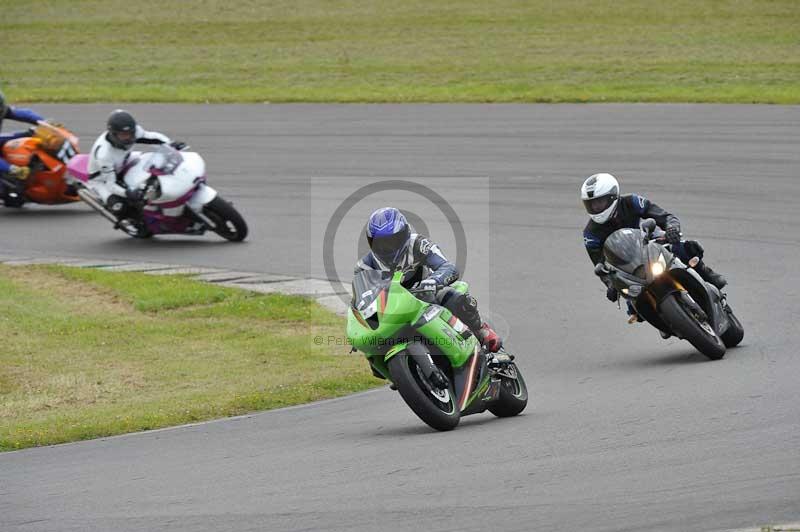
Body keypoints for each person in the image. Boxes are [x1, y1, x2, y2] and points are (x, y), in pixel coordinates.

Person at [354, 206, 502, 352]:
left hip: (426, 296)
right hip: (393, 309)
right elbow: (361, 299)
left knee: (454, 297)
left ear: (405, 233)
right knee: (373, 347)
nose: (387, 248)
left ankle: (481, 330)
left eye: (393, 241)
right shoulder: (364, 266)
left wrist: (434, 281)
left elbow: (448, 267)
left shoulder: (418, 244)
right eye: (381, 243)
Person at [581, 172, 728, 306]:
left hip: (649, 242)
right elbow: (600, 264)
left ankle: (706, 274)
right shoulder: (590, 234)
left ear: (613, 196)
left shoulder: (631, 201)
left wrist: (672, 228)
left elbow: (665, 216)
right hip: (627, 266)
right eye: (591, 204)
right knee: (631, 303)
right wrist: (610, 284)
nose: (595, 208)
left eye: (599, 202)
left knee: (684, 248)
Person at [87, 109, 185, 218]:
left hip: (125, 161)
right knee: (120, 207)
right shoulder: (104, 154)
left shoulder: (135, 131)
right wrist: (127, 193)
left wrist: (170, 145)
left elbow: (152, 137)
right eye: (123, 135)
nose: (128, 137)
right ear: (113, 134)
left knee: (154, 172)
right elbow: (110, 184)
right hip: (101, 180)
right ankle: (131, 223)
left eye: (130, 133)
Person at [0, 89, 46, 182]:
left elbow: (25, 114)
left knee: (30, 134)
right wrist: (12, 169)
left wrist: (45, 124)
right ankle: (14, 171)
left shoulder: (3, 109)